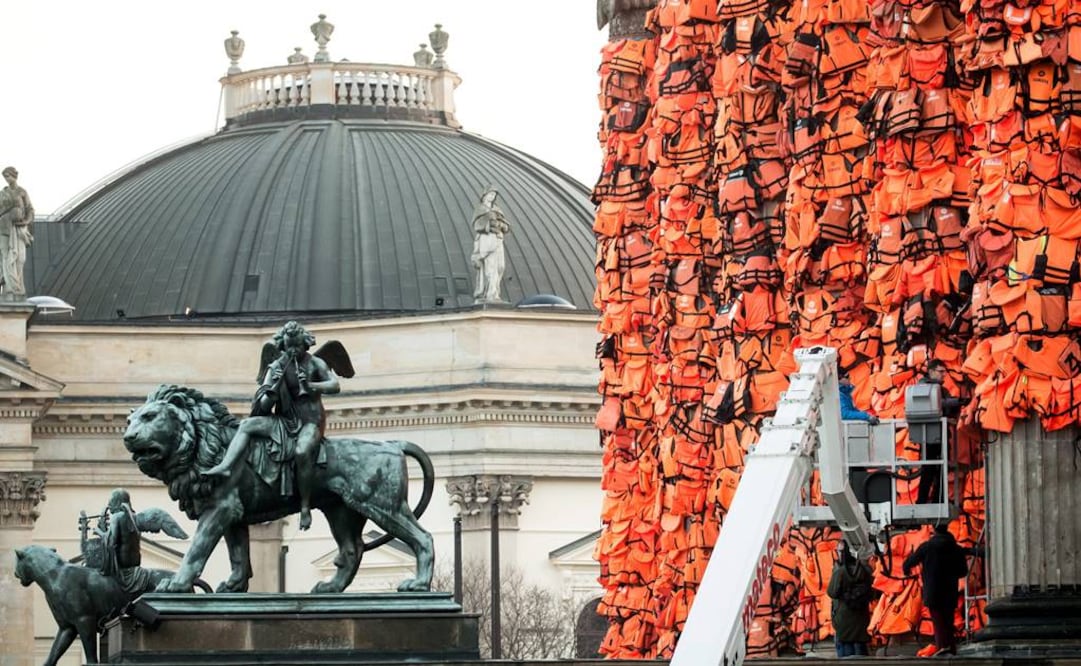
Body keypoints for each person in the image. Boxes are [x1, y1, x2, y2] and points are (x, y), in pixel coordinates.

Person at [203, 321, 340, 530]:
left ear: (305, 344)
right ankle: (225, 466)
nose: (293, 351)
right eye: (289, 346)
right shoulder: (276, 366)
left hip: (309, 422)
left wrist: (310, 385)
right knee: (247, 425)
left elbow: (334, 385)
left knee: (302, 451)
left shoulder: (315, 364)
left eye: (297, 346)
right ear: (283, 345)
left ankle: (304, 506)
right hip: (283, 422)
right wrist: (271, 392)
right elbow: (263, 406)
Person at [903, 524, 968, 656]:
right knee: (948, 623)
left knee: (938, 623)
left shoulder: (926, 547)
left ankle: (942, 649)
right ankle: (951, 650)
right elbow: (963, 571)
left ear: (934, 530)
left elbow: (908, 563)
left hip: (933, 591)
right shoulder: (956, 549)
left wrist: (908, 570)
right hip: (950, 591)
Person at [917, 360, 960, 504]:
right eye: (941, 372)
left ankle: (938, 500)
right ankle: (922, 501)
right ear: (931, 371)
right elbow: (935, 404)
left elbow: (945, 406)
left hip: (941, 435)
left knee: (942, 469)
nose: (944, 375)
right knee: (929, 469)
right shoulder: (923, 387)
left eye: (944, 372)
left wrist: (957, 404)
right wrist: (952, 403)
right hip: (929, 436)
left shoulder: (942, 389)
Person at [96, 489, 152, 593]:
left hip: (122, 567)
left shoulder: (116, 517)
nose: (109, 504)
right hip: (135, 563)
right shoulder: (134, 518)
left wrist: (99, 531)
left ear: (117, 502)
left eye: (111, 501)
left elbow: (111, 542)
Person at [827, 540, 874, 657]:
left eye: (839, 551)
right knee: (861, 655)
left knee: (845, 657)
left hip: (843, 621)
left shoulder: (839, 572)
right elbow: (873, 593)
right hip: (861, 620)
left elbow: (831, 592)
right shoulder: (866, 571)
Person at [470, 186, 511, 302]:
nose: (492, 197)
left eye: (494, 195)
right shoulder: (481, 209)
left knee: (500, 266)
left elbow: (506, 226)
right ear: (485, 195)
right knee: (490, 267)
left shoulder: (497, 209)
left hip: (498, 239)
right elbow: (477, 225)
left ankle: (494, 292)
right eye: (490, 194)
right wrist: (489, 225)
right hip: (487, 240)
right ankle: (491, 294)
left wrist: (501, 225)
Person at [0, 167, 34, 299]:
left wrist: (26, 221)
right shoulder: (2, 193)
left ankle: (17, 286)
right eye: (5, 177)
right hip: (3, 228)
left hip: (18, 228)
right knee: (5, 256)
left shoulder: (22, 192)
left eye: (8, 176)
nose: (7, 179)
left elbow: (30, 209)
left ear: (14, 176)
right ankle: (9, 287)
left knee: (20, 258)